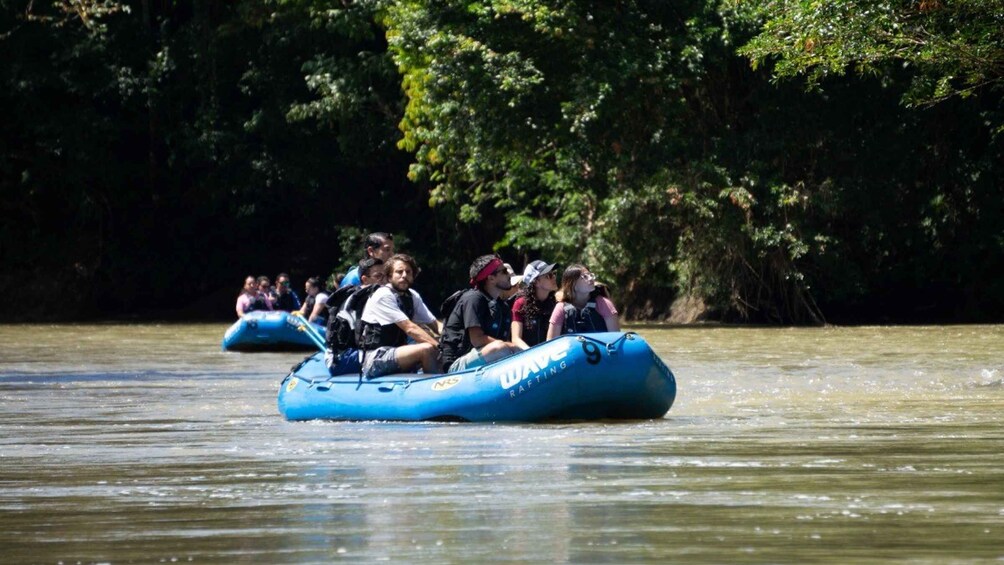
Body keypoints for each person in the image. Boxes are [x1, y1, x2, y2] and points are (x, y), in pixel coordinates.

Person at [357, 254, 441, 377]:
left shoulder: (412, 295)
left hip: (397, 352)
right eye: (399, 272)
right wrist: (439, 347)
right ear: (389, 276)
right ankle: (436, 385)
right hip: (374, 358)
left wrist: (450, 338)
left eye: (408, 272)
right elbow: (410, 328)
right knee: (426, 349)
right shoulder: (383, 295)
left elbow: (435, 324)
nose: (404, 276)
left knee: (438, 346)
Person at [439, 254, 520, 373]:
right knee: (501, 347)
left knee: (508, 348)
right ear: (491, 278)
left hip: (485, 358)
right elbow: (477, 339)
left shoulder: (503, 307)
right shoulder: (473, 298)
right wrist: (511, 346)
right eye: (504, 271)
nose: (509, 274)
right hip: (456, 365)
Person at [325, 258, 386, 375]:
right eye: (379, 276)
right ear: (365, 279)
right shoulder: (364, 299)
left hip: (351, 353)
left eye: (386, 276)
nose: (384, 281)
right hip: (342, 359)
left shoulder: (375, 294)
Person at [546, 264, 620, 339]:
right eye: (585, 277)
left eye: (591, 275)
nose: (591, 279)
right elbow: (550, 343)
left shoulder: (604, 304)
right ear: (572, 283)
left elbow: (616, 339)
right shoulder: (560, 308)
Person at [510, 260, 558, 349]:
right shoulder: (520, 304)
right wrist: (533, 354)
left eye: (554, 274)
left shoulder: (555, 303)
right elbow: (516, 339)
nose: (554, 277)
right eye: (549, 276)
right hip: (528, 356)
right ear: (536, 282)